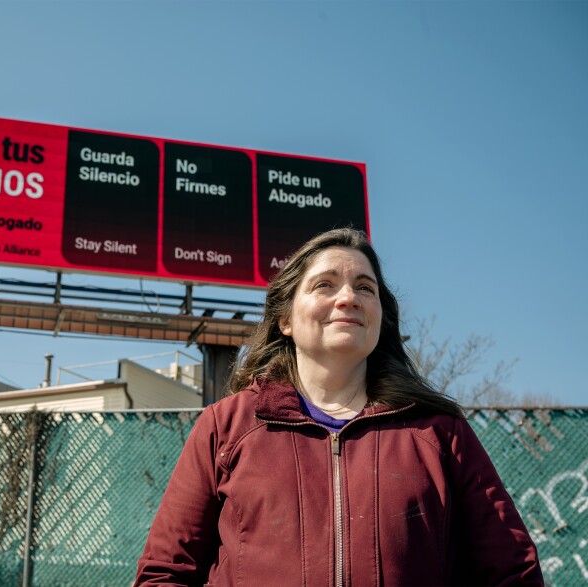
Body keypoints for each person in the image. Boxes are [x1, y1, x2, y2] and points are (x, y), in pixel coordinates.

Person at [135, 228, 543, 586]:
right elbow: (165, 573)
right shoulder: (225, 425)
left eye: (365, 287)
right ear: (286, 320)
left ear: (381, 318)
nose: (348, 297)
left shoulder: (441, 432)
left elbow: (512, 573)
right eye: (325, 285)